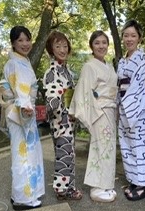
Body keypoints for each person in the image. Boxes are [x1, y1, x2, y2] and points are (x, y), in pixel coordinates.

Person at [69, 30, 118, 202]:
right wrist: (94, 110)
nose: (101, 46)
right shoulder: (89, 66)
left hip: (110, 110)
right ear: (91, 46)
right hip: (99, 111)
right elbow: (84, 90)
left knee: (108, 148)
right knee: (100, 148)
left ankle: (105, 184)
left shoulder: (109, 66)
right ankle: (96, 187)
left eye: (104, 42)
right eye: (97, 42)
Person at [3, 26, 45, 210]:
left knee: (22, 154)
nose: (25, 44)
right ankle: (24, 199)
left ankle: (19, 194)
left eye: (27, 39)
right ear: (13, 43)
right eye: (20, 40)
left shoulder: (22, 61)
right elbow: (22, 91)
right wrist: (27, 108)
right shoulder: (14, 64)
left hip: (20, 111)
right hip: (21, 112)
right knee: (24, 155)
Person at [117, 19, 145, 201]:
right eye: (126, 35)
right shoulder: (122, 61)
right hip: (124, 107)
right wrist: (119, 106)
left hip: (137, 107)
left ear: (139, 38)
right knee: (127, 145)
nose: (129, 39)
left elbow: (138, 85)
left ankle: (144, 184)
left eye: (133, 35)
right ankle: (133, 179)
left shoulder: (142, 57)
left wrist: (127, 105)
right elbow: (119, 85)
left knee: (140, 146)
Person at [43, 30, 82, 200]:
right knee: (64, 154)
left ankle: (69, 187)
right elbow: (52, 99)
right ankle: (62, 189)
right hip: (60, 120)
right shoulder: (51, 72)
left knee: (69, 154)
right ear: (51, 49)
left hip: (69, 119)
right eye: (57, 46)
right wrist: (61, 113)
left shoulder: (66, 71)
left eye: (65, 45)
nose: (62, 49)